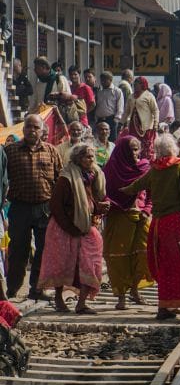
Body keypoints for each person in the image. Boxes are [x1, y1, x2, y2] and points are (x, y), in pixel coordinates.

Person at [121, 134, 180, 322]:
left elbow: (134, 187)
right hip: (179, 224)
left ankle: (164, 307)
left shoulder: (154, 169)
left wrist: (116, 189)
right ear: (174, 149)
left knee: (164, 266)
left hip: (159, 225)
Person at [40, 143, 107, 314]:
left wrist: (100, 208)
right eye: (86, 156)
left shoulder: (93, 175)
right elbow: (56, 206)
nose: (90, 159)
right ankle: (58, 299)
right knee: (61, 263)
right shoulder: (66, 178)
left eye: (92, 156)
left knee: (90, 262)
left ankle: (82, 303)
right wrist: (70, 227)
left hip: (85, 227)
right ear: (77, 159)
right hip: (64, 227)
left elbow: (89, 203)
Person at [4, 114, 61, 300]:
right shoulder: (10, 151)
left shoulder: (52, 151)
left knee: (44, 250)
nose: (31, 130)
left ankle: (37, 289)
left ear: (42, 130)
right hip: (19, 208)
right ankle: (12, 288)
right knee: (18, 249)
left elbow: (60, 180)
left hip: (44, 208)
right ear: (24, 129)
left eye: (36, 127)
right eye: (28, 127)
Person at [102, 135, 152, 310]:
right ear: (122, 150)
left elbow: (151, 192)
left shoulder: (145, 167)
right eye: (131, 149)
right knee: (119, 257)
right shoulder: (111, 169)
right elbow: (104, 193)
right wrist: (111, 204)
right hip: (119, 216)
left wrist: (147, 209)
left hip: (142, 217)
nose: (135, 153)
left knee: (145, 253)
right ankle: (121, 296)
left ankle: (135, 289)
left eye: (137, 149)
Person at [124, 77, 159, 159]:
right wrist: (122, 123)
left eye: (137, 83)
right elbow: (127, 111)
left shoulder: (149, 96)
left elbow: (155, 110)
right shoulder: (131, 97)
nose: (135, 85)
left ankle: (146, 164)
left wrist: (156, 124)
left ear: (143, 85)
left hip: (146, 127)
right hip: (133, 126)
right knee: (133, 144)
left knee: (146, 147)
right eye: (134, 83)